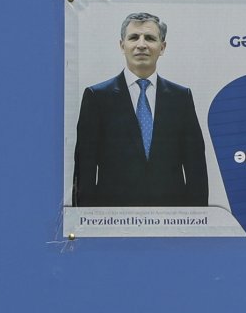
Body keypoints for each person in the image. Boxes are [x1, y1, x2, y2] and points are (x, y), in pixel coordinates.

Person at [72, 11, 209, 207]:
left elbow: (196, 168)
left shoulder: (181, 98)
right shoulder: (97, 97)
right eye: (134, 37)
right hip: (113, 221)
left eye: (150, 38)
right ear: (122, 45)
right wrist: (84, 222)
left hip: (171, 221)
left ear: (162, 47)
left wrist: (198, 224)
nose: (142, 45)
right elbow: (85, 169)